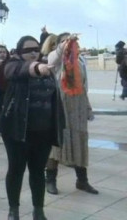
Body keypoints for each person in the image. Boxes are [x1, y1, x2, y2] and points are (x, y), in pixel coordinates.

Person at [0, 36, 64, 220]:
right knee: (16, 170)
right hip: (17, 130)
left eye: (36, 49)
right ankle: (14, 210)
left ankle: (38, 210)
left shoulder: (47, 66)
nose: (33, 52)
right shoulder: (12, 65)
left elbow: (56, 61)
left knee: (37, 171)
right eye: (27, 50)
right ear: (19, 52)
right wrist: (36, 68)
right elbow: (16, 71)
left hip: (43, 131)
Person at [43, 33, 98, 195]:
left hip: (78, 109)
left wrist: (87, 108)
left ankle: (82, 180)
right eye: (64, 41)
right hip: (60, 108)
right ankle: (50, 180)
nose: (70, 44)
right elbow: (53, 58)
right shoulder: (56, 60)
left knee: (80, 143)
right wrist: (64, 46)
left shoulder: (80, 62)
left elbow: (84, 87)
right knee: (56, 144)